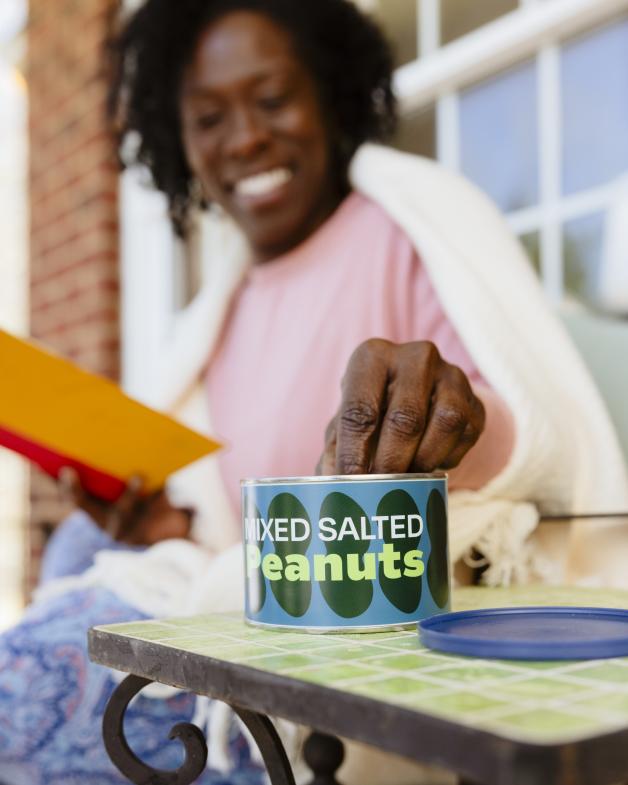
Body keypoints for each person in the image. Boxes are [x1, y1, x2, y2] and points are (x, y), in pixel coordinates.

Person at [1, 0, 627, 783]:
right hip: (249, 633)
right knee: (79, 552)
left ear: (330, 94)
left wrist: (457, 418)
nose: (246, 137)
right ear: (178, 138)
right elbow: (230, 539)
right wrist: (161, 525)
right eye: (208, 117)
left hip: (342, 661)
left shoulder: (411, 227)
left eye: (272, 99)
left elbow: (526, 436)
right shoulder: (215, 316)